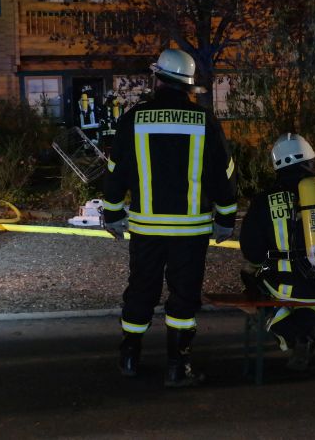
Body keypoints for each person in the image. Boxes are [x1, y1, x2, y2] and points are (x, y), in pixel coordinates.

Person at [102, 48, 237, 387]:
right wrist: (225, 217)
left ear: (157, 78)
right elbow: (223, 173)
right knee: (184, 295)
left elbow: (116, 170)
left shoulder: (134, 118)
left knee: (141, 289)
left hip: (147, 228)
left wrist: (113, 212)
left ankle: (129, 356)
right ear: (188, 85)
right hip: (190, 230)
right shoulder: (204, 120)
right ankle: (178, 366)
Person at [239, 133, 315, 371]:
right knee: (312, 299)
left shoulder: (264, 200)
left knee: (253, 283)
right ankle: (307, 332)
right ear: (311, 161)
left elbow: (252, 251)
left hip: (282, 285)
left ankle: (291, 334)